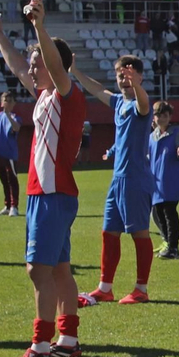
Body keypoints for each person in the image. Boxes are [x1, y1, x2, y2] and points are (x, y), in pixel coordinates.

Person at [0, 0, 87, 357]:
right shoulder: (46, 96)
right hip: (48, 193)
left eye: (37, 63)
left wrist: (39, 28)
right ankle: (68, 338)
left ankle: (41, 348)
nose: (30, 69)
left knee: (38, 270)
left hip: (52, 193)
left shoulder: (66, 92)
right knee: (60, 269)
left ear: (54, 65)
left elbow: (54, 65)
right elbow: (15, 64)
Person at [69, 55, 154, 307]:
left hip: (135, 178)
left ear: (139, 76)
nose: (123, 79)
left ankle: (141, 288)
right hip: (117, 179)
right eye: (120, 75)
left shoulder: (141, 105)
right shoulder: (118, 102)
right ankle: (105, 288)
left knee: (139, 233)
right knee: (109, 232)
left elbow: (144, 103)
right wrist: (75, 70)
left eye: (129, 75)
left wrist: (135, 86)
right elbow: (96, 88)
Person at [149, 102, 179, 260]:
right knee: (158, 213)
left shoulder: (176, 133)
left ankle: (173, 246)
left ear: (170, 117)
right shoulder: (152, 136)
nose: (161, 118)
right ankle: (167, 242)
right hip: (156, 182)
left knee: (169, 213)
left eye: (164, 115)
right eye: (158, 115)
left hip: (171, 180)